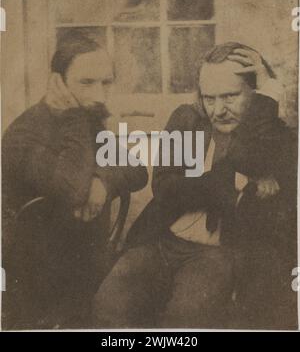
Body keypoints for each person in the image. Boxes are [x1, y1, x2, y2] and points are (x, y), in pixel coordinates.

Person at [93, 42, 297, 329]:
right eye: (209, 98)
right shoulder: (187, 121)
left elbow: (245, 157)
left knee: (187, 317)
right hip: (163, 240)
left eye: (230, 96)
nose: (218, 110)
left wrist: (267, 100)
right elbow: (166, 190)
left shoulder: (276, 140)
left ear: (257, 93)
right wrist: (235, 181)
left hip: (220, 253)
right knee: (109, 304)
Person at [2, 31, 148, 329]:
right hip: (34, 283)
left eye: (106, 83)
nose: (100, 95)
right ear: (58, 82)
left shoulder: (88, 120)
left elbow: (136, 170)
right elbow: (72, 189)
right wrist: (72, 118)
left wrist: (103, 182)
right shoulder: (23, 134)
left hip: (85, 266)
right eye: (86, 83)